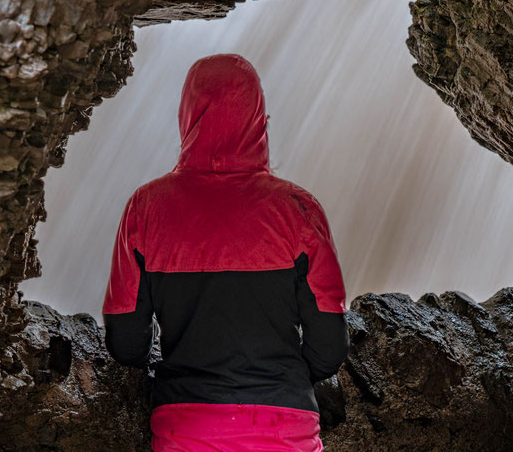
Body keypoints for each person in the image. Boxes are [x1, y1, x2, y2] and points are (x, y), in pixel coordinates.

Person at [101, 53, 350, 451]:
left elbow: (127, 345)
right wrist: (278, 380)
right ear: (259, 119)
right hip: (287, 430)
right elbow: (329, 348)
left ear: (186, 118)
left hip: (185, 430)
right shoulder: (300, 211)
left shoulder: (145, 209)